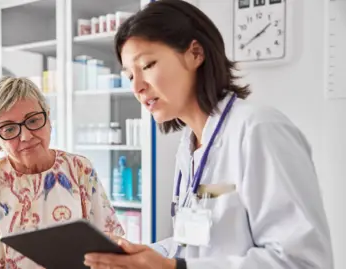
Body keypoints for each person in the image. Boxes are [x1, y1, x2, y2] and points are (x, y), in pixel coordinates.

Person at [84, 0, 333, 268]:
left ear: (195, 53)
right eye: (130, 76)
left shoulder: (258, 129)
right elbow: (193, 245)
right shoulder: (190, 146)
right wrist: (138, 255)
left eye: (147, 65)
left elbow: (303, 261)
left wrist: (172, 267)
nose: (138, 87)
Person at [0, 76, 124, 268]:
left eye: (33, 120)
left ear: (49, 119)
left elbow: (110, 243)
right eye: (9, 129)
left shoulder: (80, 169)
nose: (26, 136)